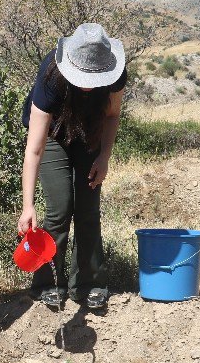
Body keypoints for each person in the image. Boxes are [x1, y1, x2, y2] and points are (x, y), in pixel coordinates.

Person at [17, 23, 126, 312]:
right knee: (59, 208)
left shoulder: (115, 76)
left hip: (90, 133)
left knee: (88, 208)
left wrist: (104, 157)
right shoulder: (52, 76)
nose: (87, 82)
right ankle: (48, 283)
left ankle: (90, 284)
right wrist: (27, 206)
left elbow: (112, 115)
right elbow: (34, 149)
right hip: (53, 136)